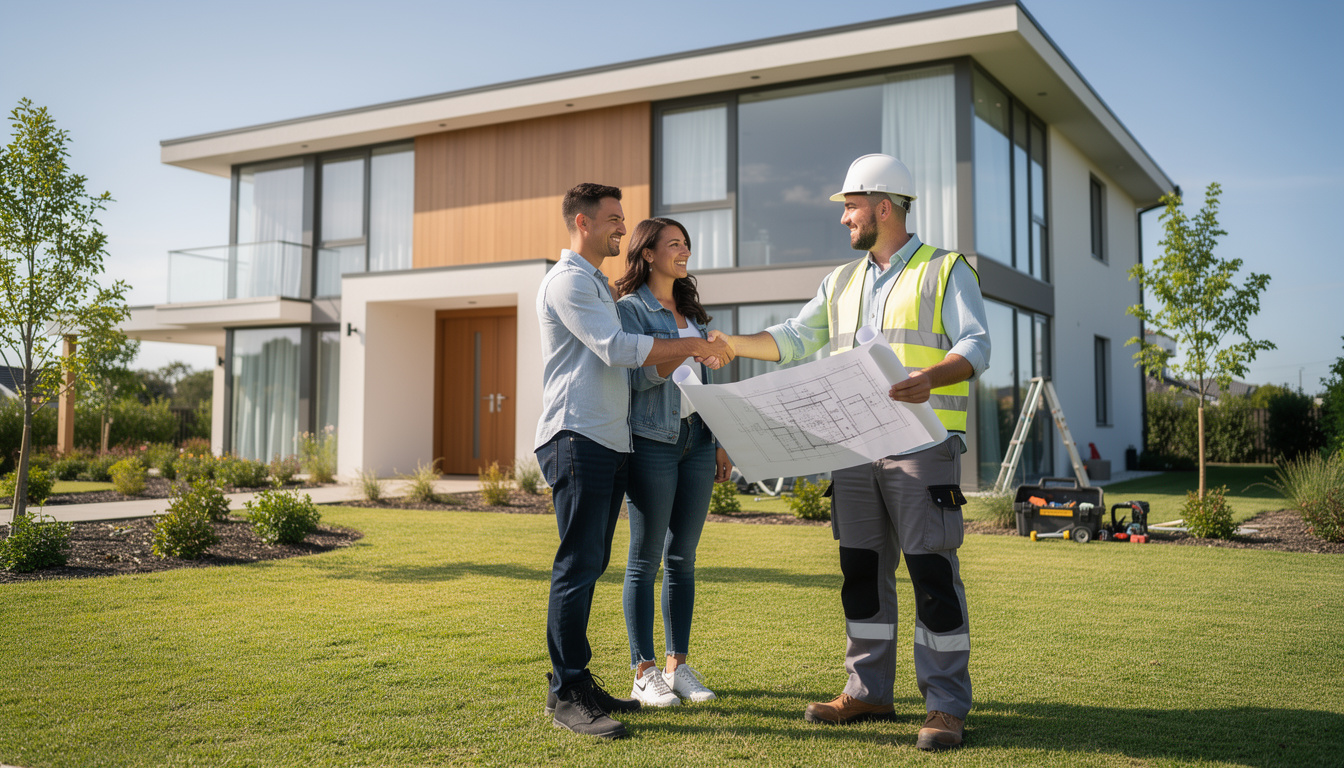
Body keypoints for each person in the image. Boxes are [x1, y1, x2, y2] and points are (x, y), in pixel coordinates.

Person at [710, 154, 990, 751]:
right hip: (853, 448)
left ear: (883, 206)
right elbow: (792, 340)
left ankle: (945, 707)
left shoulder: (946, 270)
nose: (844, 219)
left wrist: (933, 376)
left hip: (923, 445)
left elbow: (977, 344)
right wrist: (731, 343)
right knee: (860, 572)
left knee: (931, 573)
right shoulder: (838, 283)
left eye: (851, 206)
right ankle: (867, 692)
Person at [535, 183, 733, 740]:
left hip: (608, 439)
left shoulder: (595, 282)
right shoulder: (571, 282)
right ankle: (570, 691)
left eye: (624, 220)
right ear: (582, 222)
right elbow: (620, 351)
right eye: (614, 219)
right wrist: (693, 347)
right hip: (576, 436)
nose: (622, 227)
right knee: (578, 566)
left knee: (592, 562)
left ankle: (578, 681)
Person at [612, 218, 734, 708]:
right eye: (674, 244)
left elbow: (704, 383)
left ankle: (677, 665)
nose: (684, 252)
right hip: (653, 441)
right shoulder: (630, 310)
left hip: (698, 440)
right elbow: (639, 380)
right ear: (647, 254)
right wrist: (686, 346)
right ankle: (643, 671)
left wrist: (721, 438)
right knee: (645, 559)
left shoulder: (693, 314)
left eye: (687, 244)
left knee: (683, 558)